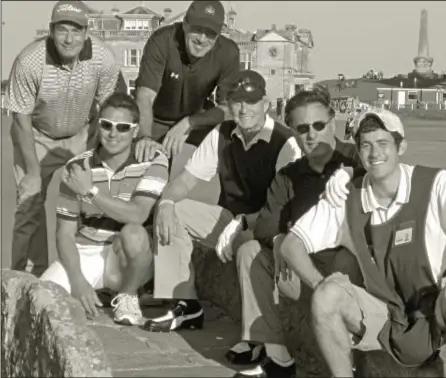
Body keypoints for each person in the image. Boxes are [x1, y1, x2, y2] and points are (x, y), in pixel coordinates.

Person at [281, 108, 446, 377]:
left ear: (402, 146)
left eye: (384, 143)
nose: (375, 154)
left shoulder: (433, 185)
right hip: (381, 315)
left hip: (432, 310)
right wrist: (319, 283)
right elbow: (292, 245)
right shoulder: (345, 195)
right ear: (359, 152)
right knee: (326, 295)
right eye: (366, 145)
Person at [142, 70, 302, 333]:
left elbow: (286, 208)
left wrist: (245, 222)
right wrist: (167, 203)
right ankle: (185, 303)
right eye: (237, 101)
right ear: (228, 105)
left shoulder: (285, 143)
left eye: (251, 101)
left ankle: (258, 337)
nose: (243, 109)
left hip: (268, 229)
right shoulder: (222, 133)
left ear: (266, 104)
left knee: (249, 251)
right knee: (173, 210)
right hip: (231, 222)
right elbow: (184, 182)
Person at [230, 89, 365, 378]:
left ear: (333, 121)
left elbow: (388, 177)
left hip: (353, 274)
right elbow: (267, 223)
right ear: (293, 132)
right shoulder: (288, 176)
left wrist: (352, 174)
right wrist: (279, 240)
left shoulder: (356, 158)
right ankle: (275, 353)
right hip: (303, 272)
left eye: (319, 125)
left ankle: (350, 347)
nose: (312, 134)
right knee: (249, 252)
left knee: (344, 258)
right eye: (302, 129)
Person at [5, 0, 123, 277]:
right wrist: (33, 172)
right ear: (51, 30)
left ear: (86, 33)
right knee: (29, 201)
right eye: (62, 30)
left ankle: (94, 272)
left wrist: (103, 150)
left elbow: (108, 106)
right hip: (36, 133)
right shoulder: (29, 61)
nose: (69, 39)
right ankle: (28, 280)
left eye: (76, 31)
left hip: (83, 132)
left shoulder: (103, 58)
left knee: (94, 197)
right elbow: (20, 119)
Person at [40, 93, 169, 325]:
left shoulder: (154, 161)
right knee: (42, 300)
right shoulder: (76, 167)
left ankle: (128, 295)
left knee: (134, 233)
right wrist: (78, 281)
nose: (113, 133)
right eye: (107, 125)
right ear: (98, 126)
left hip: (128, 257)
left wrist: (90, 191)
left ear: (135, 131)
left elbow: (138, 214)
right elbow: (65, 233)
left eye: (122, 127)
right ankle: (97, 289)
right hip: (86, 251)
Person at [134, 0, 240, 178]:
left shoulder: (228, 52)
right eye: (198, 29)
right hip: (155, 118)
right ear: (185, 24)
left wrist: (190, 123)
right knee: (143, 165)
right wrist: (145, 136)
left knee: (232, 146)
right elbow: (145, 95)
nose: (202, 39)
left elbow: (229, 108)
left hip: (197, 118)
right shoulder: (162, 40)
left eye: (210, 33)